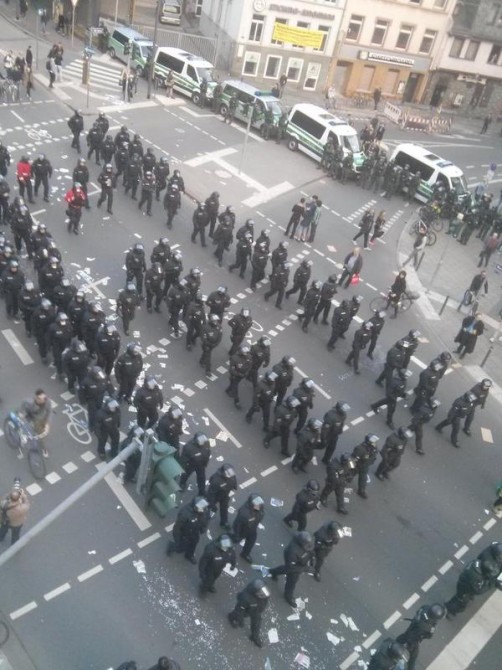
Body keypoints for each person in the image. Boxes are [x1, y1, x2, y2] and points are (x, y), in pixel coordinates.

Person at [269, 531, 315, 607]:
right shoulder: (292, 551)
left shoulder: (306, 542)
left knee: (286, 569)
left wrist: (312, 557)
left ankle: (273, 572)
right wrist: (306, 569)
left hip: (301, 559)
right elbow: (292, 567)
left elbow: (311, 550)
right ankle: (288, 596)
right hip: (294, 562)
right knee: (292, 578)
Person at [395, 604, 445, 670]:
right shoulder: (427, 627)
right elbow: (429, 636)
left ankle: (395, 646)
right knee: (413, 657)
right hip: (413, 640)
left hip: (410, 629)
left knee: (400, 639)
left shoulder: (425, 608)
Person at [167, 496, 210, 564]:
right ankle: (171, 547)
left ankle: (189, 555)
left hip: (195, 532)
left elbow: (207, 519)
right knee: (180, 548)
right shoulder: (185, 513)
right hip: (185, 534)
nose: (203, 510)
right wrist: (177, 540)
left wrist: (203, 528)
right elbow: (177, 528)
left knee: (193, 544)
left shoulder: (204, 509)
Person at [228, 579, 270, 648]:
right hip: (247, 610)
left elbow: (265, 598)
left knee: (257, 623)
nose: (263, 595)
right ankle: (231, 617)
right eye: (260, 593)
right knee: (238, 615)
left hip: (256, 610)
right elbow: (240, 610)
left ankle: (254, 637)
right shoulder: (245, 598)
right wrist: (241, 621)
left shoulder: (263, 592)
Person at [232, 493, 265, 563]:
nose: (259, 506)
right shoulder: (244, 513)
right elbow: (238, 524)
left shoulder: (260, 509)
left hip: (252, 529)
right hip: (242, 530)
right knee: (234, 540)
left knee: (251, 542)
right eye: (257, 505)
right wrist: (237, 535)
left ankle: (245, 554)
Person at [20, 389, 51, 458]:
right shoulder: (31, 402)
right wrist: (21, 412)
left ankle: (26, 435)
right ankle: (44, 449)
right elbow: (23, 402)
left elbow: (49, 412)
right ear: (37, 398)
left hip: (42, 419)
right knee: (40, 435)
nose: (44, 400)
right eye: (41, 398)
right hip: (33, 417)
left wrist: (46, 422)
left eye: (44, 398)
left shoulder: (47, 401)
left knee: (41, 433)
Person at [207, 463, 238, 530]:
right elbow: (211, 494)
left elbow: (234, 481)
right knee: (208, 507)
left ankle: (224, 522)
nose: (230, 476)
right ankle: (205, 516)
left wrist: (234, 487)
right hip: (216, 496)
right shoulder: (216, 480)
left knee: (224, 509)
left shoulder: (232, 476)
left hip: (225, 495)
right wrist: (212, 505)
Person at [179, 432, 211, 496]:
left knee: (202, 478)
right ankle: (182, 483)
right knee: (185, 475)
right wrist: (183, 467)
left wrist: (205, 463)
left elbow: (208, 452)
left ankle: (202, 492)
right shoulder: (188, 447)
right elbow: (183, 459)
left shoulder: (206, 443)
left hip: (201, 464)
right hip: (190, 464)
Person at [0, 481, 30, 546]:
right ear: (18, 498)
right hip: (17, 524)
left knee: (3, 530)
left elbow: (4, 499)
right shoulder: (22, 508)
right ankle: (14, 545)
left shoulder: (4, 504)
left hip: (5, 521)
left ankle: (1, 537)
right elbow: (27, 503)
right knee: (15, 535)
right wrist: (23, 496)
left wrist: (10, 494)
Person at [352, 433, 379, 499]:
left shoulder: (374, 448)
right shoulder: (360, 448)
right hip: (358, 465)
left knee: (363, 478)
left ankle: (361, 490)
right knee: (350, 474)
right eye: (373, 442)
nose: (375, 443)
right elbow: (354, 458)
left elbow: (373, 455)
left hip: (365, 465)